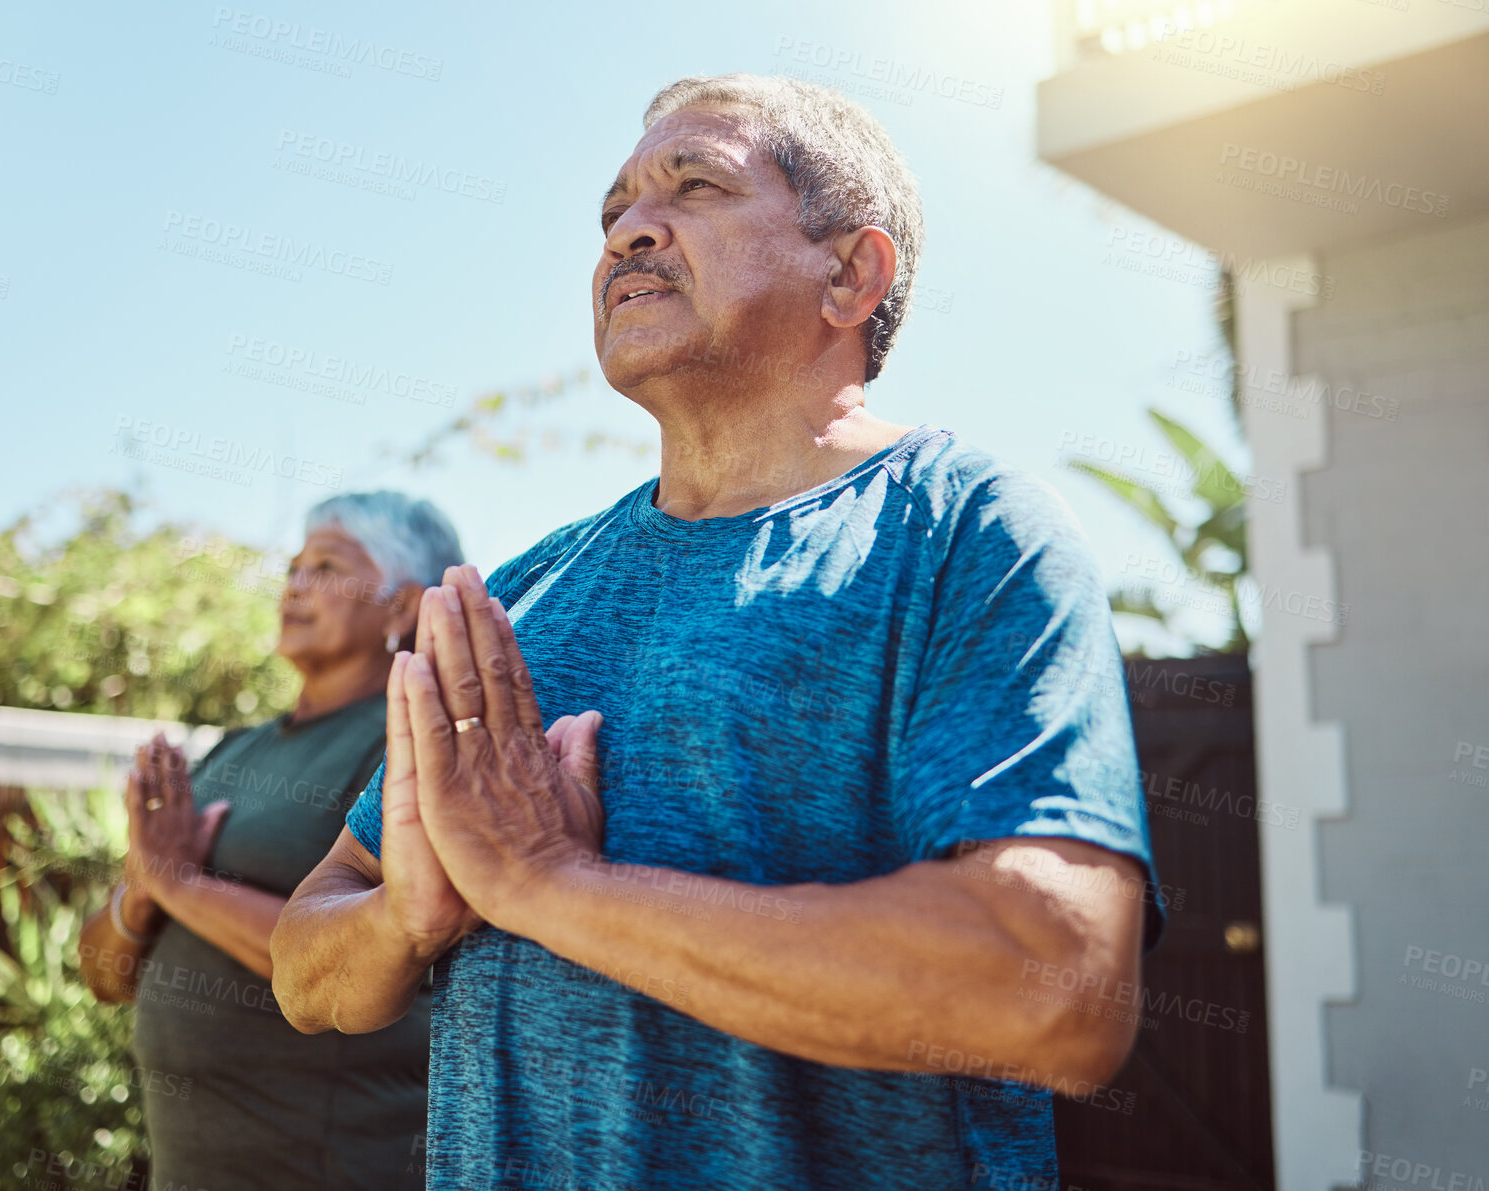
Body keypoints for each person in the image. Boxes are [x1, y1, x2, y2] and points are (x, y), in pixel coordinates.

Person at [270, 75, 1167, 1189]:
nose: (629, 231)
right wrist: (414, 909)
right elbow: (307, 970)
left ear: (851, 273)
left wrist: (547, 885)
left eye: (695, 186)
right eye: (613, 212)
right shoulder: (523, 594)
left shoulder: (965, 535)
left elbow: (1055, 987)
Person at [78, 491, 462, 1191]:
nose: (295, 583)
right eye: (292, 566)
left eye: (326, 565)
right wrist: (144, 894)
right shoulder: (231, 752)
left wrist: (180, 884)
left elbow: (374, 947)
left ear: (403, 606)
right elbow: (104, 976)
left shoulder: (407, 739)